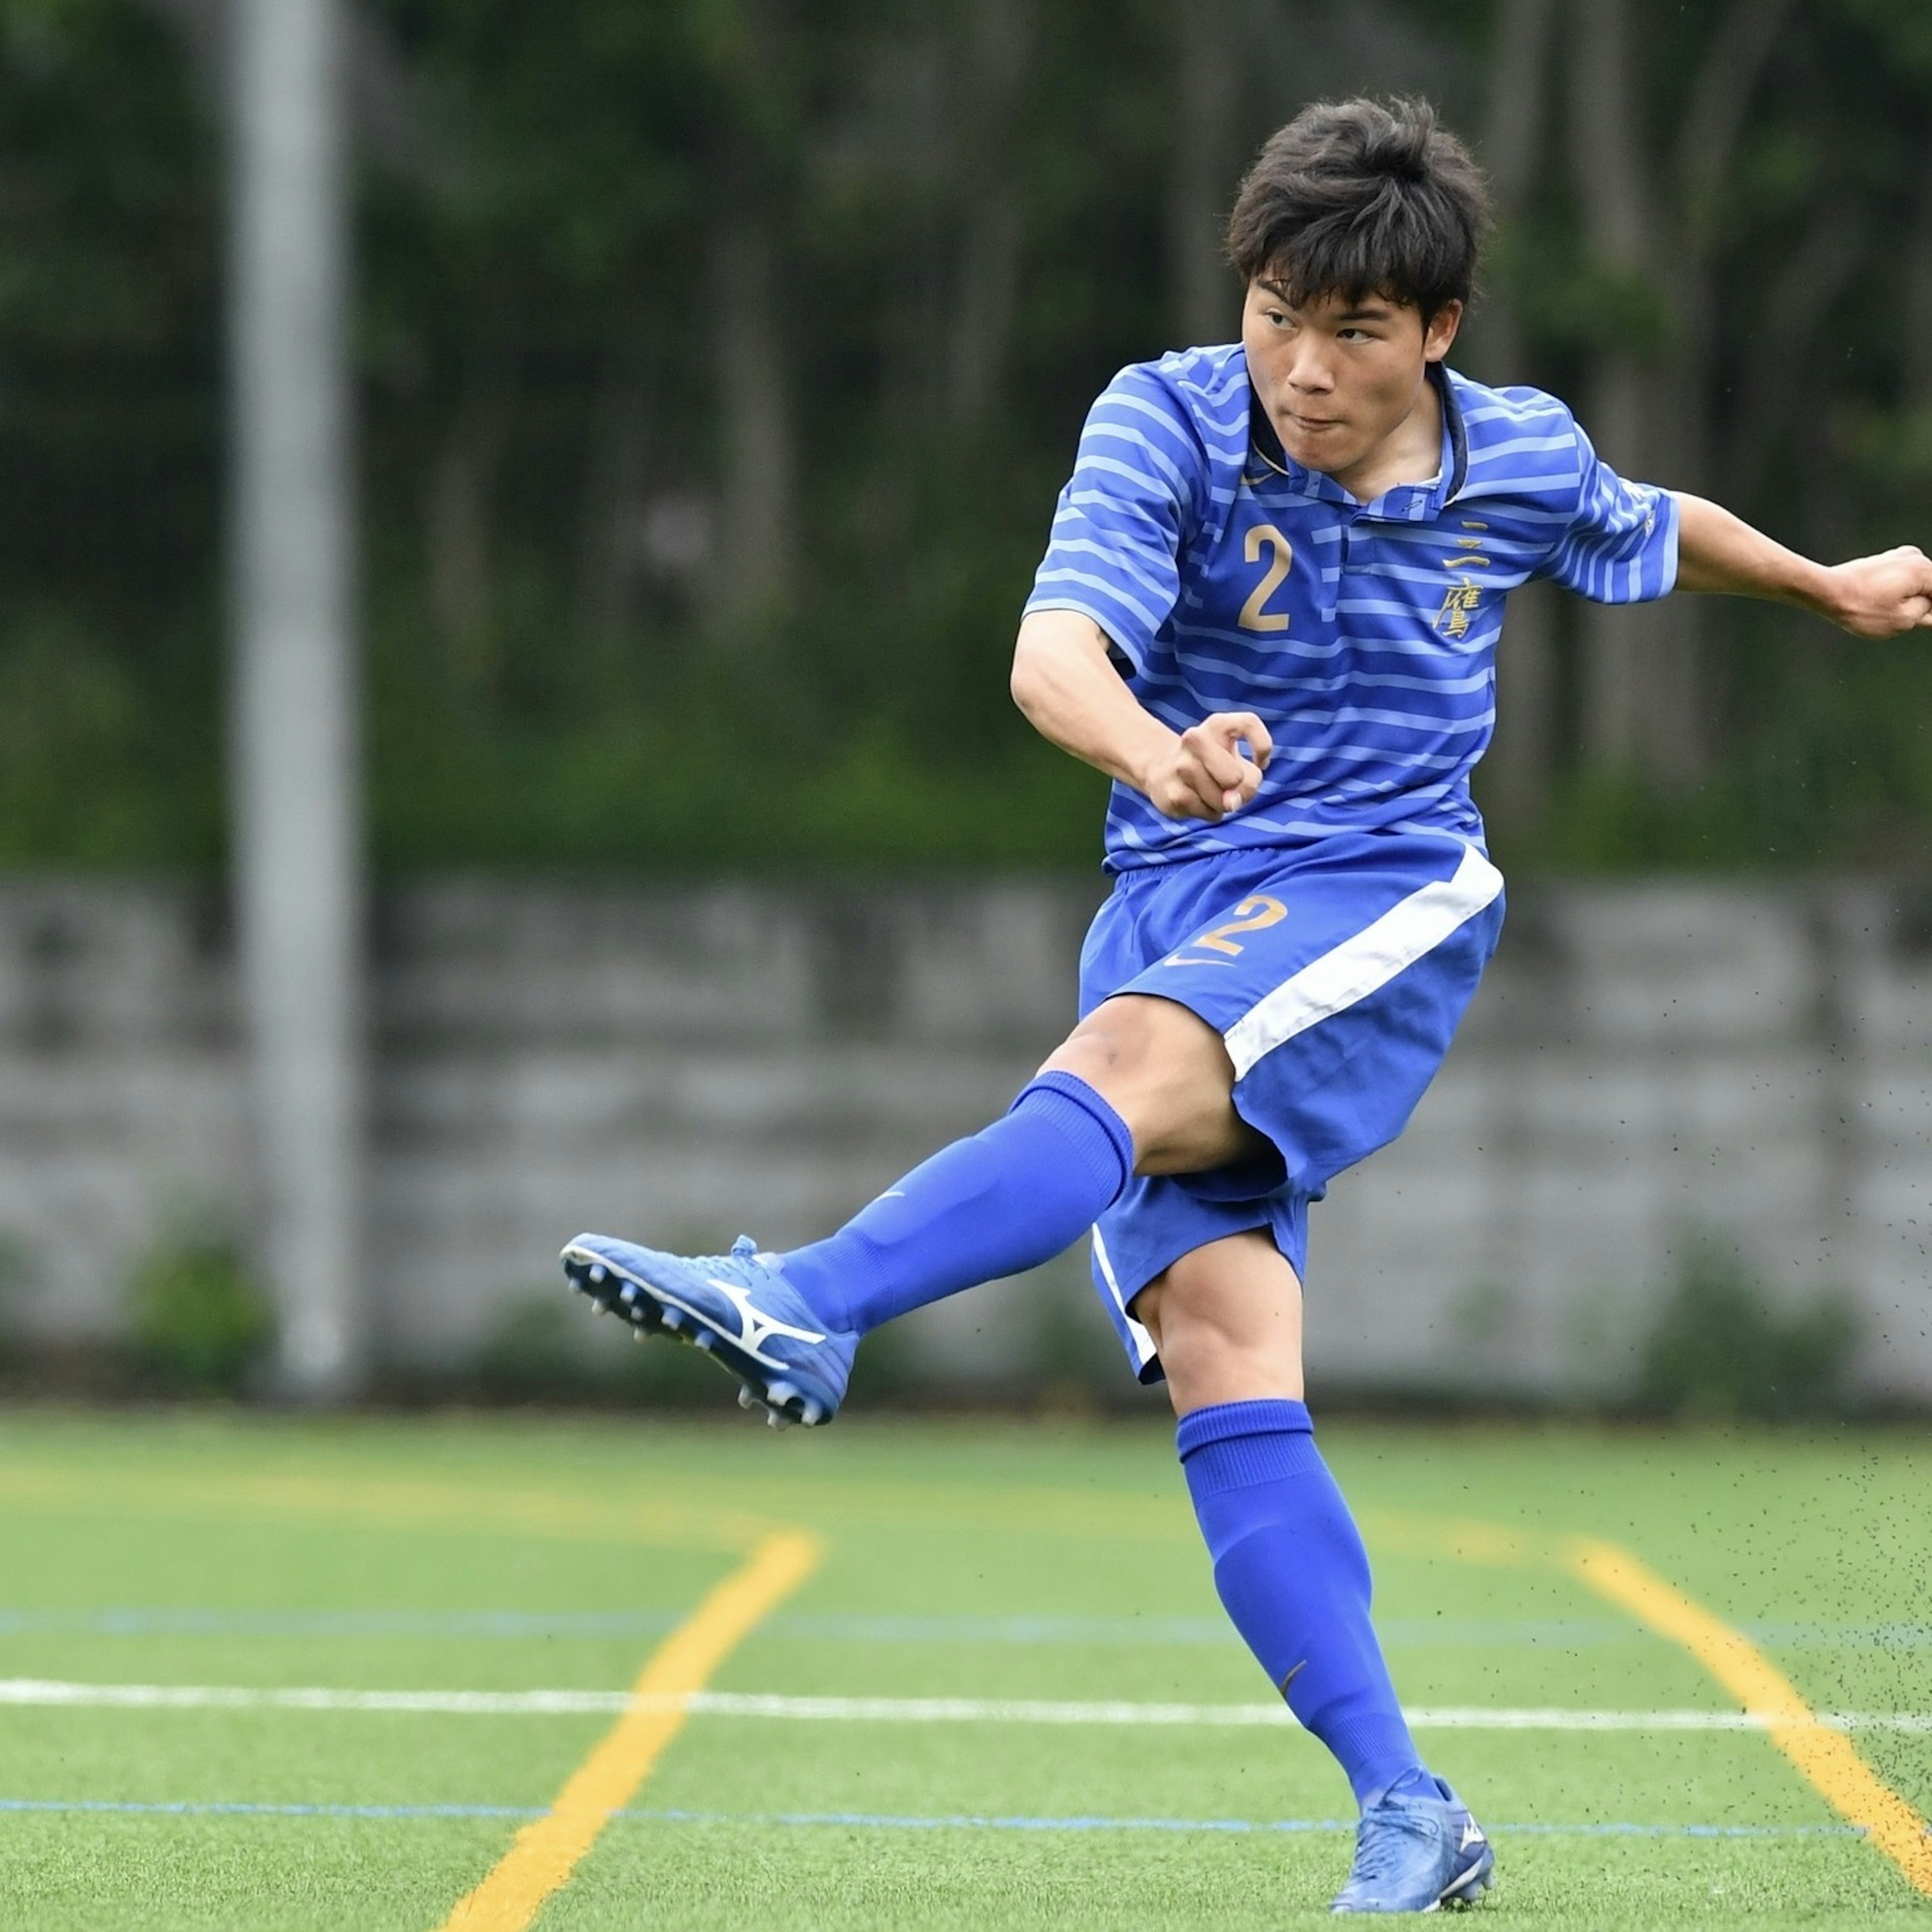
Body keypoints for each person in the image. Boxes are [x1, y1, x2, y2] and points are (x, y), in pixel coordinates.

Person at [560, 95, 1932, 1913]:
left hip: (1385, 895)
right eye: (1279, 313)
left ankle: (806, 1301)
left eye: (1354, 332)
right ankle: (1409, 1807)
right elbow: (1056, 656)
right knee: (1224, 1356)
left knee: (1119, 1072)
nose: (1304, 365)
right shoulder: (1170, 415)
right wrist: (1156, 751)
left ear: (1436, 332)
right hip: (1176, 892)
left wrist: (1826, 585)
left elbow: (1646, 522)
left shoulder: (1510, 459)